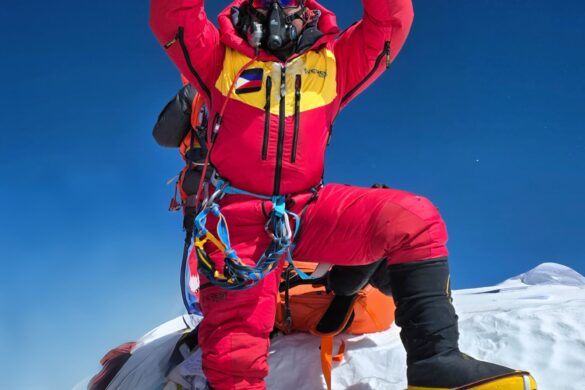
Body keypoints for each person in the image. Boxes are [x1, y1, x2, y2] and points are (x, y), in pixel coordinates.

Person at [149, 1, 536, 389]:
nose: (279, 12)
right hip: (235, 226)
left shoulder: (335, 62)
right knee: (236, 361)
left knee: (413, 220)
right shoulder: (218, 58)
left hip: (304, 211)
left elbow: (389, 22)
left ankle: (437, 364)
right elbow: (173, 16)